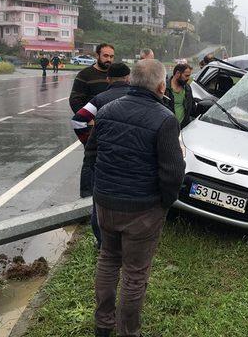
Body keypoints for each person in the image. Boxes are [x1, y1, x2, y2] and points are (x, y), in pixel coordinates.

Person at [92, 59, 185, 337]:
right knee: (134, 273)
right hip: (142, 208)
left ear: (130, 81)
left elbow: (94, 152)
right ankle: (128, 331)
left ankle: (103, 325)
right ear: (160, 85)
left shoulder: (107, 110)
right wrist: (165, 203)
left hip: (106, 202)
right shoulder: (165, 119)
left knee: (108, 259)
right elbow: (173, 172)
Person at [71, 63, 132, 248]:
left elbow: (78, 121)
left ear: (108, 79)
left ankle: (102, 243)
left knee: (101, 202)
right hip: (130, 158)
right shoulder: (136, 97)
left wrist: (89, 141)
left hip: (104, 158)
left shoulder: (99, 99)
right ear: (128, 78)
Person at [69, 43, 115, 197]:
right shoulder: (85, 75)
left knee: (108, 162)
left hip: (111, 128)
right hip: (92, 127)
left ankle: (103, 196)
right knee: (90, 160)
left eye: (111, 56)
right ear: (97, 56)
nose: (109, 59)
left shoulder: (113, 76)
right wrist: (87, 119)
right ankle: (86, 197)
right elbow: (75, 100)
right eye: (106, 56)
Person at [164, 63, 196, 128]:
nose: (188, 78)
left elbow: (192, 107)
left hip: (184, 127)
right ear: (177, 73)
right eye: (186, 76)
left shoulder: (187, 88)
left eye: (189, 76)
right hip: (168, 128)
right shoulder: (164, 88)